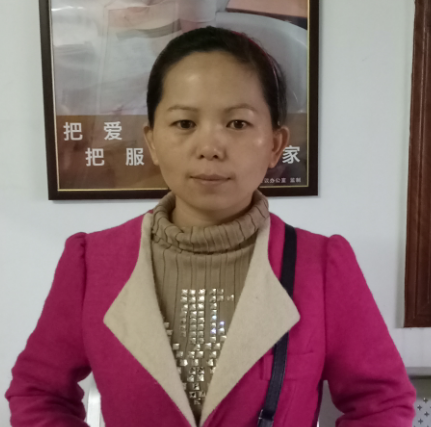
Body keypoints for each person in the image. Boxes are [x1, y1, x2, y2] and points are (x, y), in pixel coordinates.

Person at [5, 26, 416, 427]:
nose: (209, 148)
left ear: (275, 145)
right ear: (152, 141)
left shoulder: (322, 267)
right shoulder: (92, 264)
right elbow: (38, 391)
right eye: (184, 123)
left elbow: (382, 402)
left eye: (237, 124)